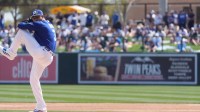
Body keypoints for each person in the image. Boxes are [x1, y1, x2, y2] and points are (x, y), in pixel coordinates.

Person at [0, 9, 56, 112]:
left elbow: (20, 26)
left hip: (42, 52)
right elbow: (34, 32)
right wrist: (31, 21)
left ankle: (11, 52)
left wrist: (28, 21)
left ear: (42, 17)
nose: (36, 19)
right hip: (47, 56)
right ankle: (41, 107)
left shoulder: (40, 24)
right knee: (33, 79)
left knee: (21, 32)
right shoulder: (46, 23)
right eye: (34, 18)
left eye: (38, 17)